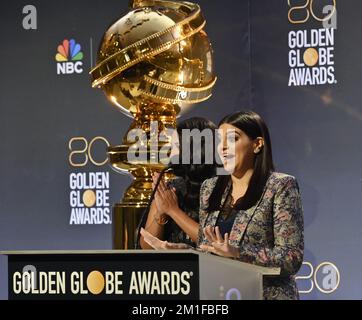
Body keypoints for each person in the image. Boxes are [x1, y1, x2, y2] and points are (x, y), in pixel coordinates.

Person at [141, 110, 304, 300]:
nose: (223, 147)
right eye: (220, 141)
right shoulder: (210, 188)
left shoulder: (280, 186)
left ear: (257, 144)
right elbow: (209, 248)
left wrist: (238, 253)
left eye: (233, 139)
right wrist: (184, 252)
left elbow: (291, 258)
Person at [138, 117, 217, 249]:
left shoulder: (222, 187)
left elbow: (212, 241)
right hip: (174, 268)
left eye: (176, 146)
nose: (170, 153)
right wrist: (161, 213)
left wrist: (173, 210)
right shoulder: (170, 188)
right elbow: (146, 246)